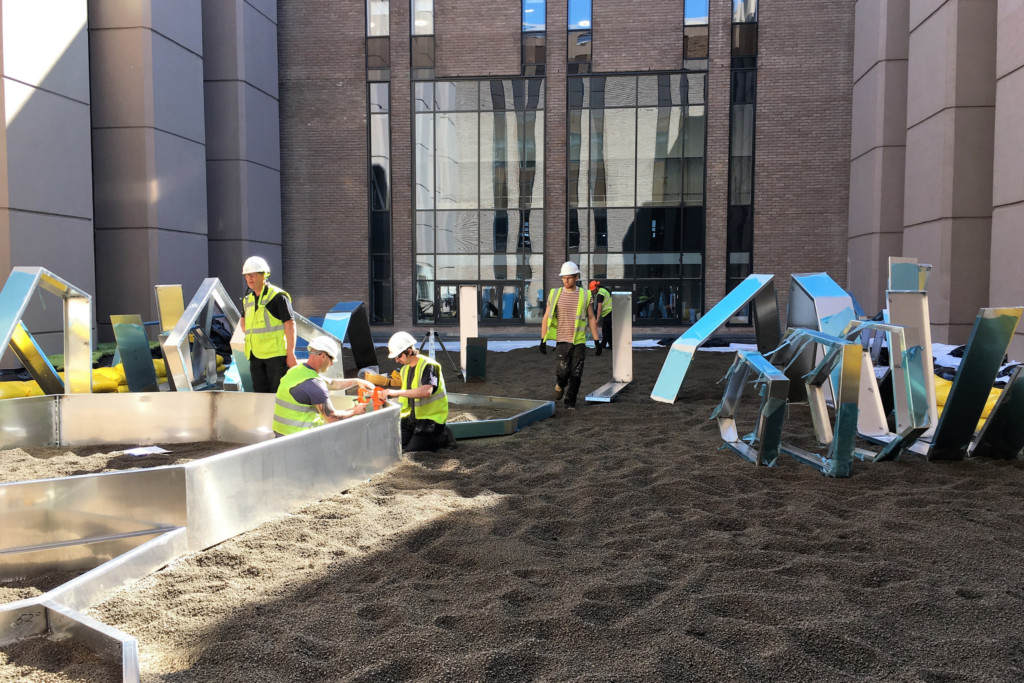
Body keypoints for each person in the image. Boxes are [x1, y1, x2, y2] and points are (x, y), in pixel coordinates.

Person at [272, 336, 373, 437]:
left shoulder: (297, 371)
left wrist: (357, 381)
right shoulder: (314, 385)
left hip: (280, 435)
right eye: (332, 359)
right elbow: (333, 418)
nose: (332, 363)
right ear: (323, 356)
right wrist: (355, 411)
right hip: (299, 438)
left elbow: (332, 384)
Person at [540, 261, 601, 410]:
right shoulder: (554, 294)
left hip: (579, 341)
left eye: (569, 278)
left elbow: (591, 318)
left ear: (576, 277)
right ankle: (560, 384)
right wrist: (542, 339)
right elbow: (547, 316)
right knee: (563, 372)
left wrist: (597, 340)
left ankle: (570, 402)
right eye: (563, 278)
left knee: (576, 374)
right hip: (561, 340)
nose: (565, 281)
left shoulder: (586, 294)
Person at [382, 330, 455, 452]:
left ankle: (443, 436)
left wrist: (396, 392)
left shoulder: (429, 365)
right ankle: (422, 438)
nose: (396, 360)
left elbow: (427, 391)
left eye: (398, 356)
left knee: (413, 452)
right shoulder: (405, 370)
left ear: (409, 351)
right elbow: (408, 394)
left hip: (431, 420)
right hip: (412, 419)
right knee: (395, 447)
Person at [240, 256, 296, 394]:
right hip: (255, 356)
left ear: (264, 275)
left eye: (253, 274)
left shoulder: (278, 297)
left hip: (276, 357)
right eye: (247, 275)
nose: (249, 278)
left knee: (277, 393)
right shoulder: (248, 299)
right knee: (260, 394)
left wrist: (291, 354)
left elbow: (290, 325)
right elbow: (243, 321)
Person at [589, 280, 613, 352]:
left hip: (608, 312)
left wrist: (597, 319)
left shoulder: (600, 294)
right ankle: (607, 344)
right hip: (610, 312)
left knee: (606, 330)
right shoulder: (603, 290)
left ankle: (605, 345)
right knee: (607, 330)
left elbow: (599, 308)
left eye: (593, 290)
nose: (593, 292)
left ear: (596, 287)